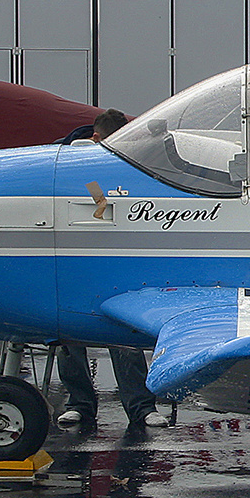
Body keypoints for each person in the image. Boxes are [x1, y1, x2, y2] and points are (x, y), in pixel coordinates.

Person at [56, 110, 167, 430]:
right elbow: (101, 208)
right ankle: (79, 403)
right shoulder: (70, 161)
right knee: (69, 339)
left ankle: (141, 407)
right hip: (74, 259)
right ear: (96, 139)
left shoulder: (123, 163)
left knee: (123, 337)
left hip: (113, 256)